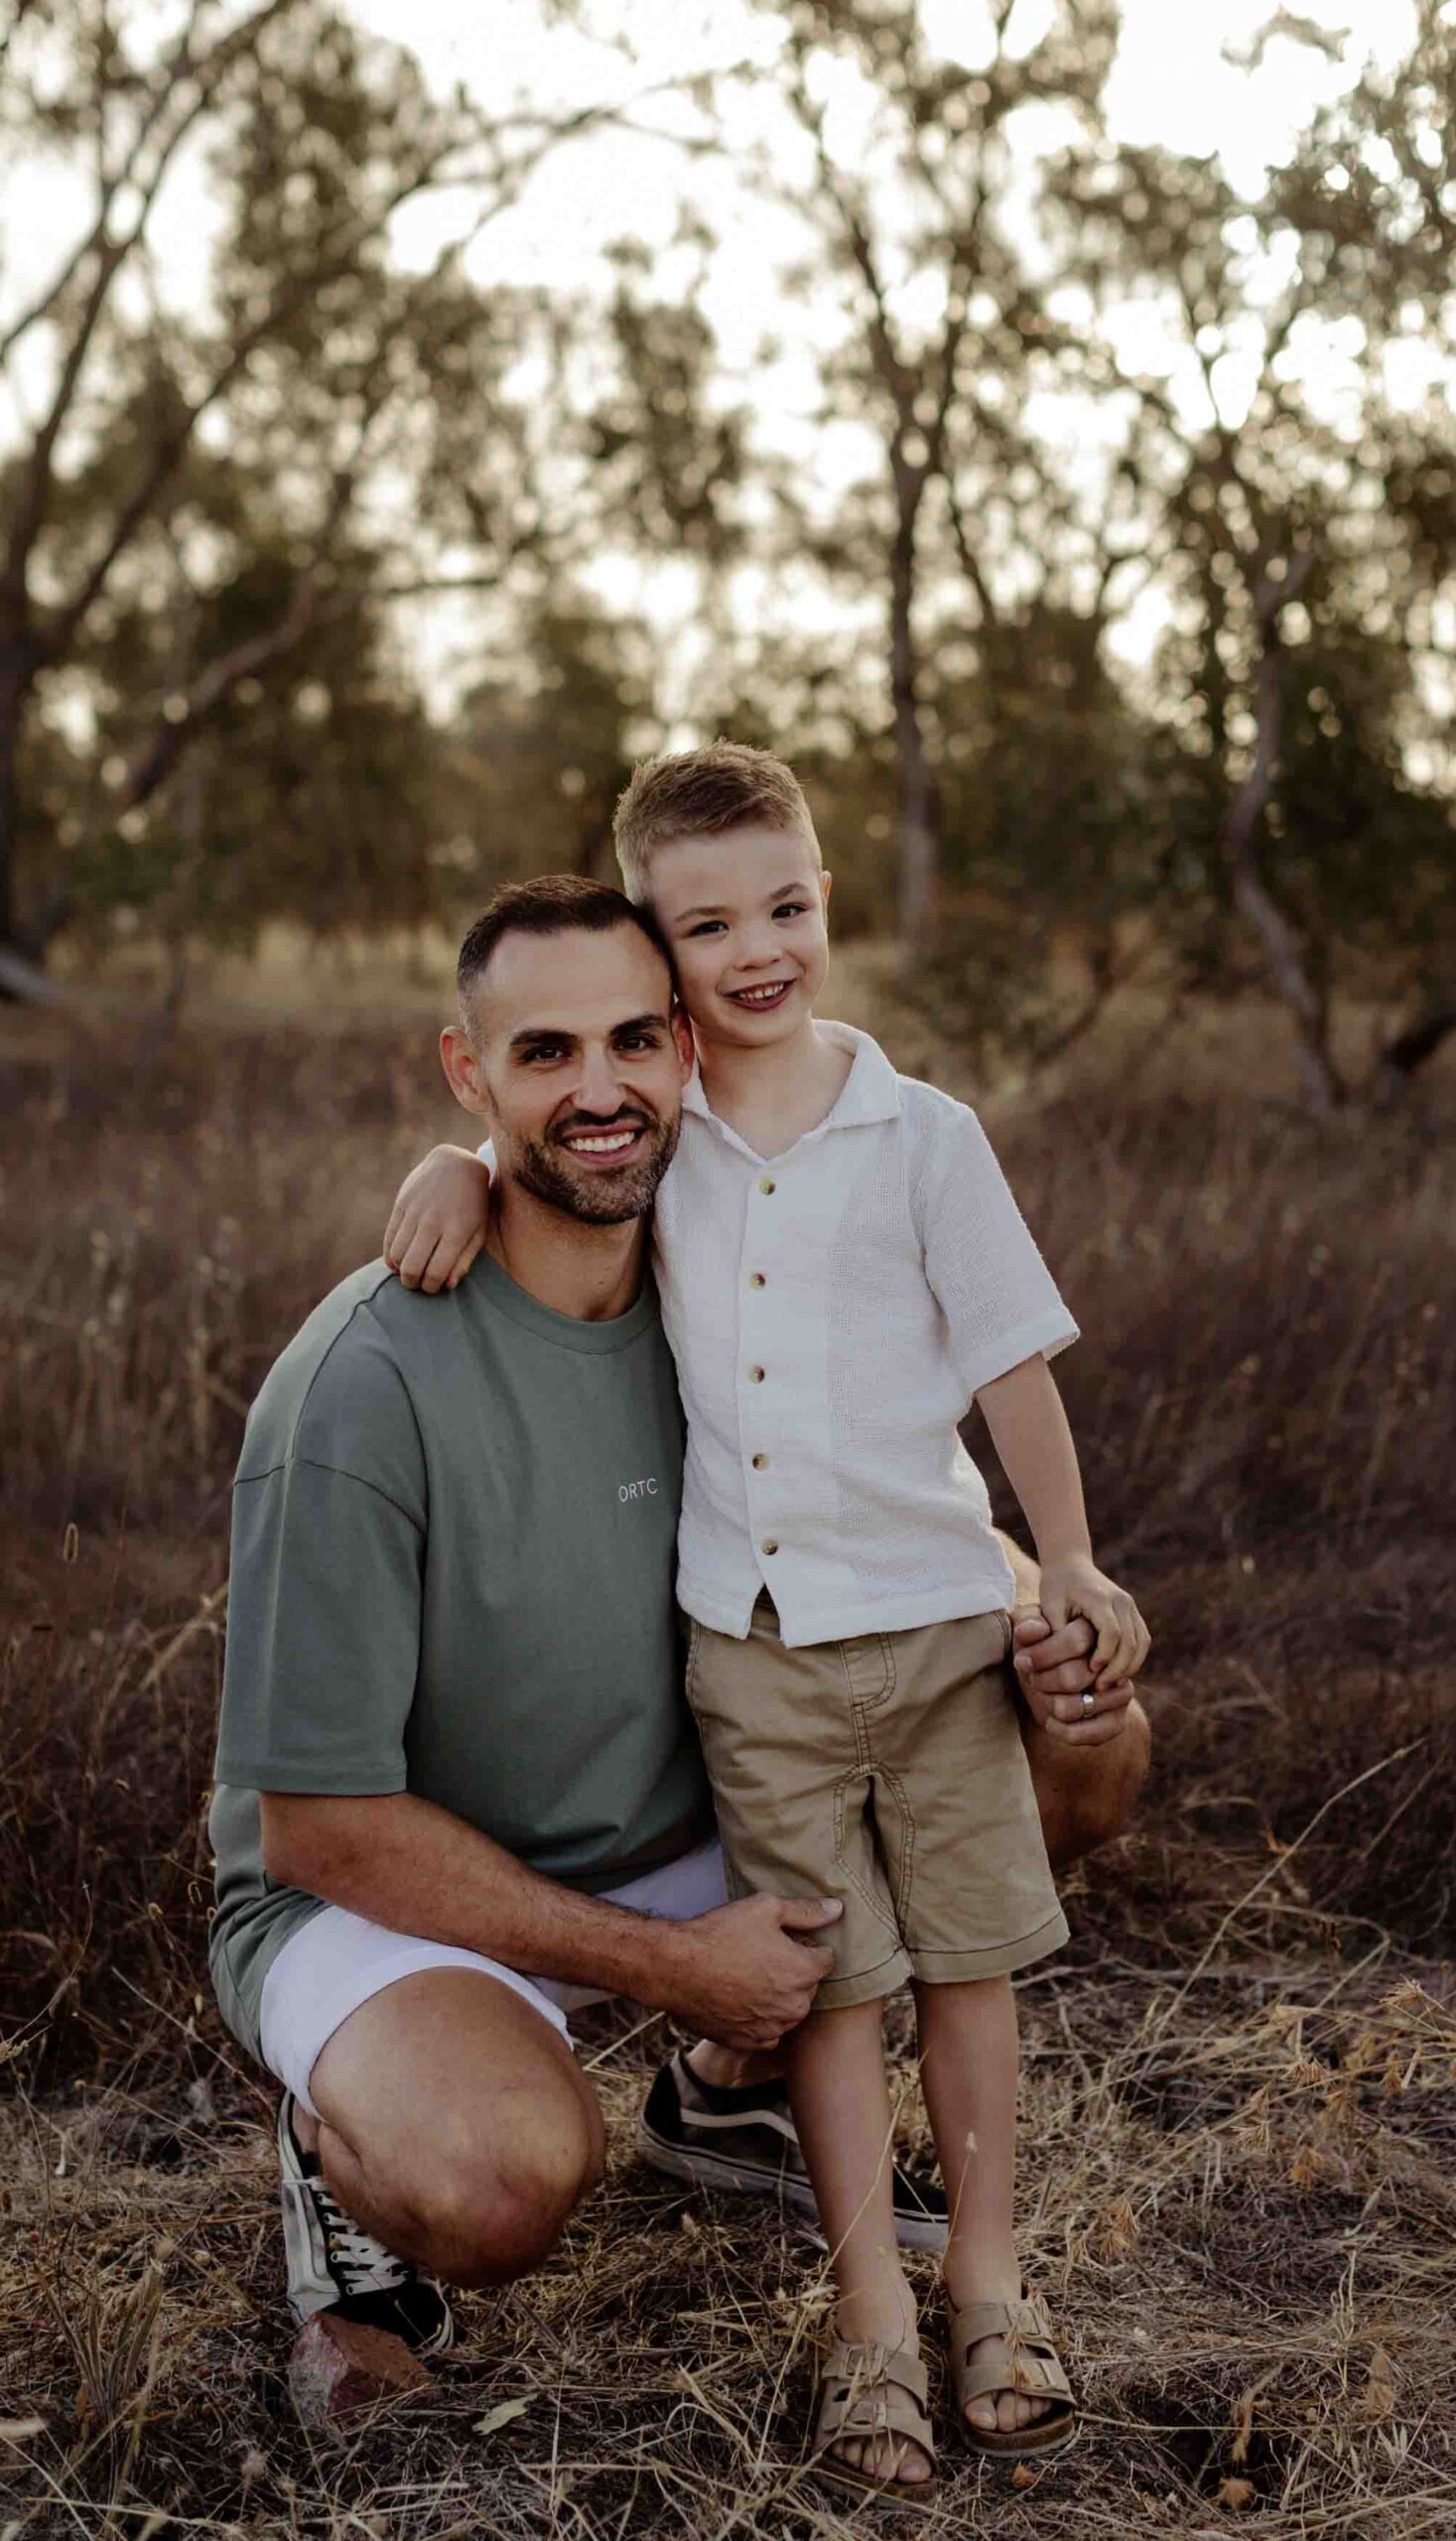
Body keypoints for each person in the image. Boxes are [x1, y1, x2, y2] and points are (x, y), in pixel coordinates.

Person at [208, 875, 1149, 2431]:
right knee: (503, 2179)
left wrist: (1040, 1609)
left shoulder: (726, 1277)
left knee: (1081, 1741)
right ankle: (336, 2165)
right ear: (468, 1072)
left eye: (635, 1041)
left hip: (674, 1824)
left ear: (693, 1054)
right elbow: (316, 1826)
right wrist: (664, 1962)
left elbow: (875, 1490)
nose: (598, 1091)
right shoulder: (361, 1391)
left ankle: (722, 2098)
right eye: (543, 1055)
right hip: (389, 1888)